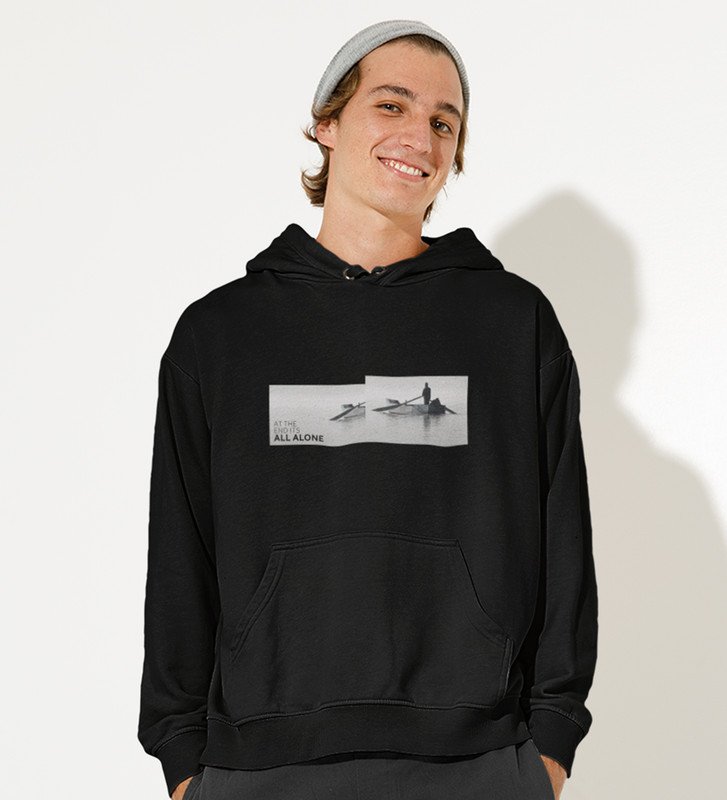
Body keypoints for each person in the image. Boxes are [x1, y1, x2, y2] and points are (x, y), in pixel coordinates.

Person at [137, 19, 598, 800]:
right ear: (327, 123)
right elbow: (180, 554)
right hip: (260, 766)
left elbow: (565, 545)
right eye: (391, 105)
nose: (419, 135)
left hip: (477, 762)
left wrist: (548, 746)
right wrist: (184, 760)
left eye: (443, 122)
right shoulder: (221, 334)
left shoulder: (512, 323)